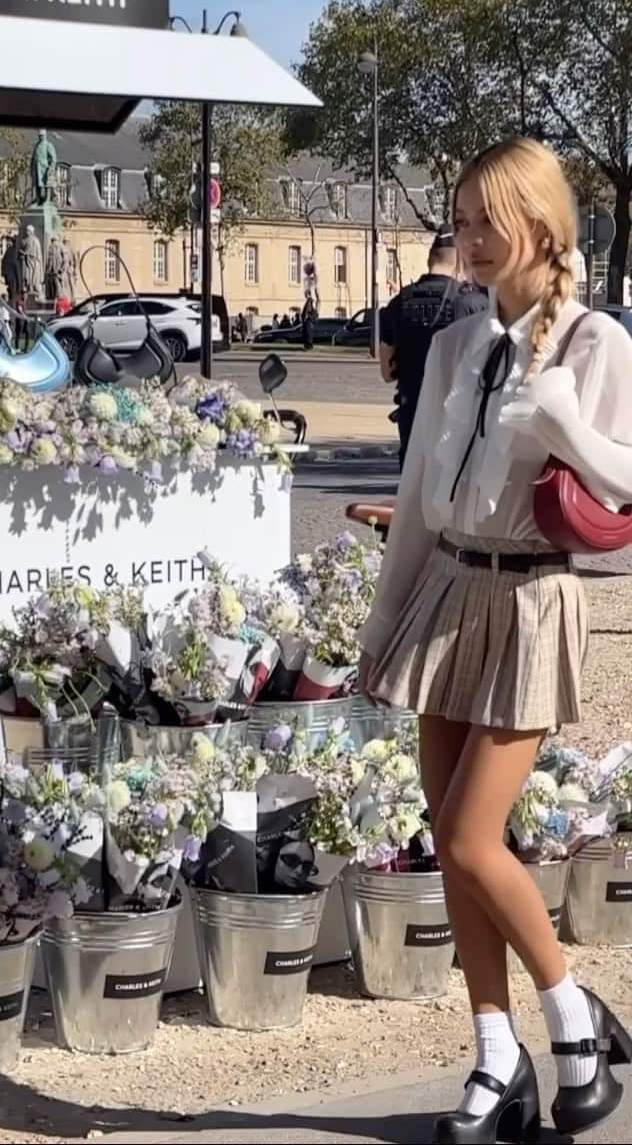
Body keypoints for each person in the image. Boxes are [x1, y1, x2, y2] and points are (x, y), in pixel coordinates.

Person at [359, 138, 632, 1143]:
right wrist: (384, 624)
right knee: (452, 844)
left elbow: (625, 480)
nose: (467, 240)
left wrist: (560, 417)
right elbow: (420, 505)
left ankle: (572, 1016)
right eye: (461, 219)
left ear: (537, 220)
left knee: (477, 834)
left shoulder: (598, 344)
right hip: (446, 588)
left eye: (484, 220)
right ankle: (496, 1054)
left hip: (532, 599)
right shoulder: (458, 344)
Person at [379, 228, 488, 470]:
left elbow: (386, 373)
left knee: (414, 494)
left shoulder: (398, 304)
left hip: (413, 414)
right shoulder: (475, 304)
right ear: (460, 261)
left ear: (430, 259)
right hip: (459, 419)